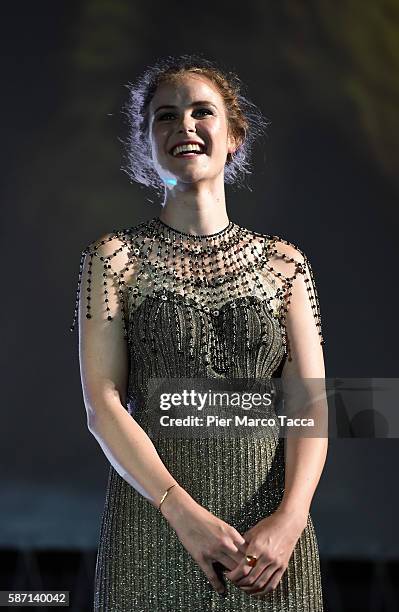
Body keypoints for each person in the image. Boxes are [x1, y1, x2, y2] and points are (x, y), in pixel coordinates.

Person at [70, 54, 328, 611]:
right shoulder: (114, 259)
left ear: (233, 136)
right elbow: (102, 405)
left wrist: (290, 519)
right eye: (165, 116)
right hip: (156, 533)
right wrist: (184, 517)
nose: (184, 125)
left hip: (270, 544)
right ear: (147, 143)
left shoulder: (287, 265)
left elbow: (313, 404)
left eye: (201, 112)